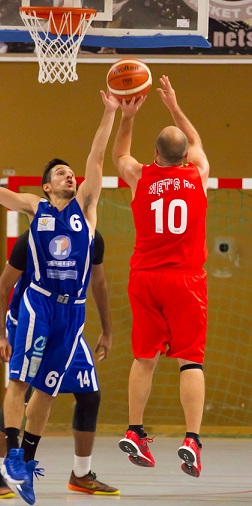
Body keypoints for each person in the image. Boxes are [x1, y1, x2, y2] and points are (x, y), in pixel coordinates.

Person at [0, 89, 119, 504]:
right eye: (61, 173)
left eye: (72, 173)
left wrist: (109, 113)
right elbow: (3, 195)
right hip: (40, 301)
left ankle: (25, 464)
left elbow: (97, 158)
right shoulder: (38, 206)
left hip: (74, 314)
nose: (70, 176)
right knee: (20, 379)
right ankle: (12, 456)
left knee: (48, 390)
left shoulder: (86, 207)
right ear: (47, 185)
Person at [112, 75, 209, 478]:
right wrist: (173, 105)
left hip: (145, 277)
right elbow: (197, 144)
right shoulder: (198, 174)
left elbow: (119, 156)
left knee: (144, 358)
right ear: (185, 156)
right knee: (190, 361)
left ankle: (135, 430)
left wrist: (127, 116)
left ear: (155, 154)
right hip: (185, 280)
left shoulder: (141, 177)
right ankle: (191, 439)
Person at [0, 229, 119, 499]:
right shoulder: (36, 231)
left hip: (67, 326)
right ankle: (6, 466)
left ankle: (80, 474)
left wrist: (107, 330)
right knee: (20, 387)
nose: (71, 183)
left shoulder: (89, 236)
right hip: (29, 320)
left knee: (89, 394)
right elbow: (4, 284)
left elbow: (98, 282)